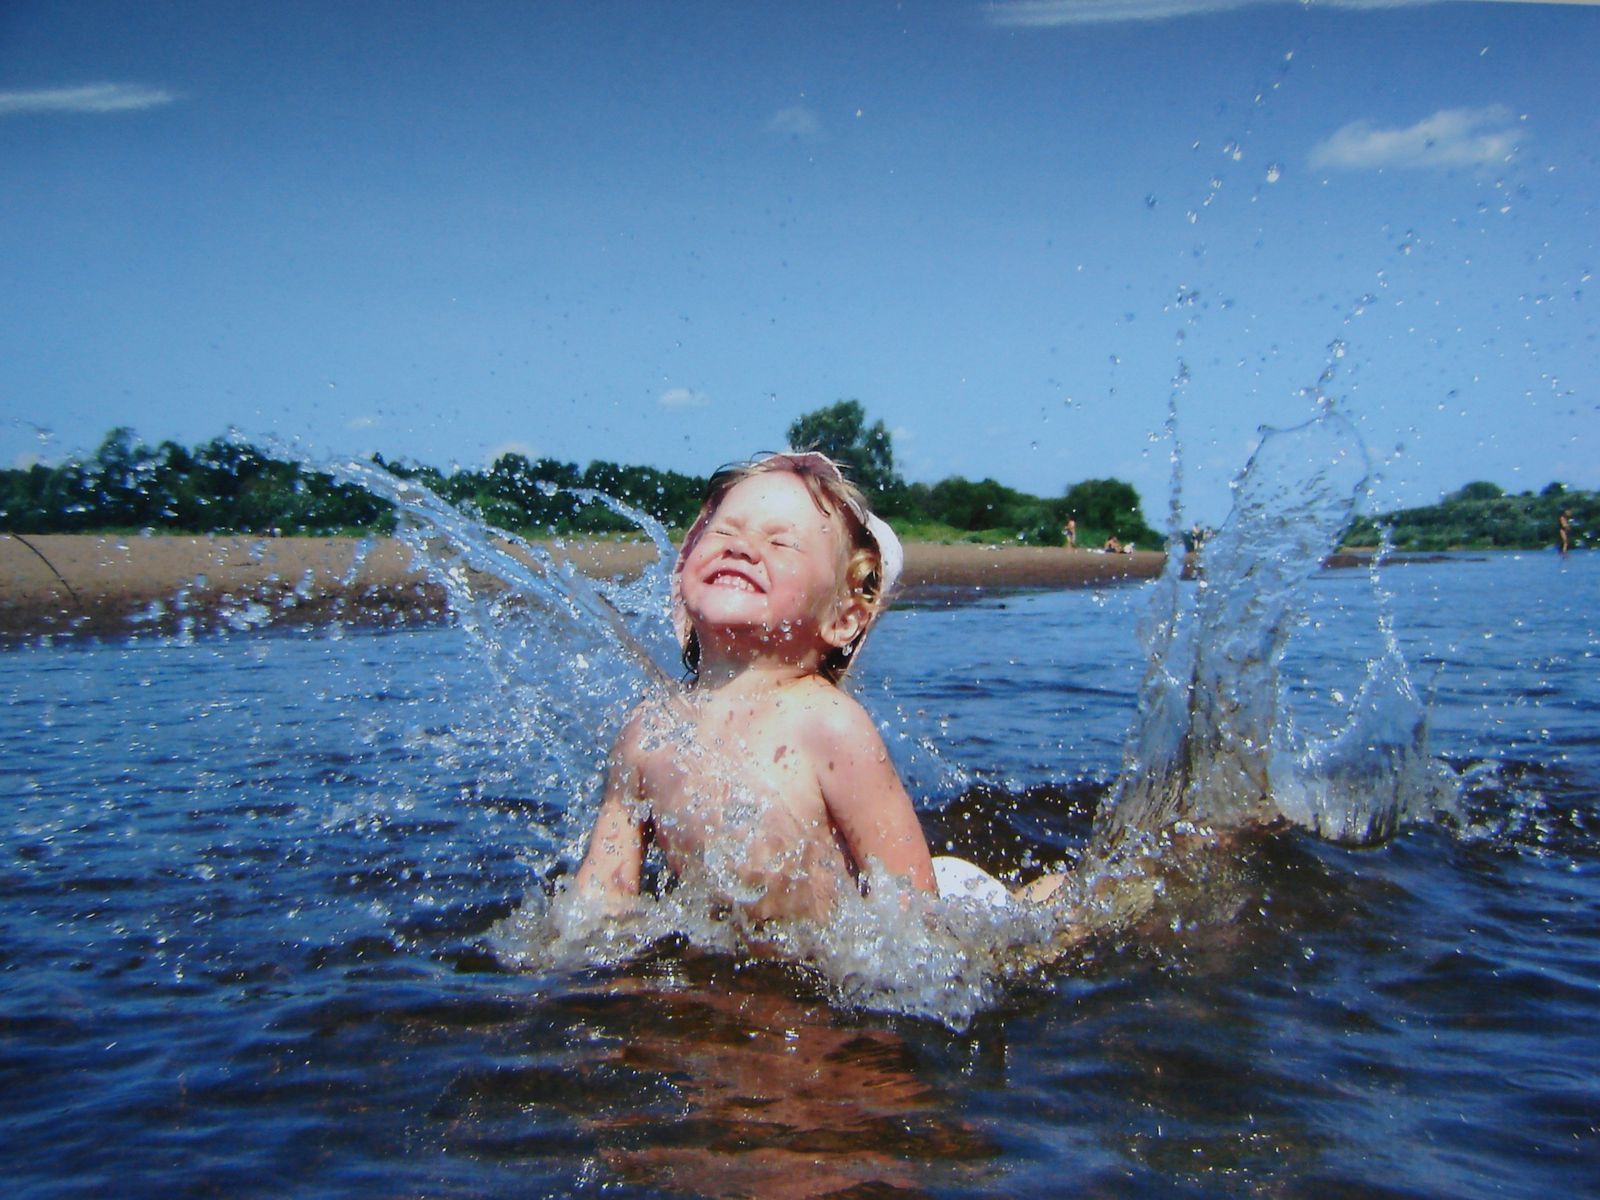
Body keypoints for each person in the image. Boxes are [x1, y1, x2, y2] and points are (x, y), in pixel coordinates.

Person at [574, 451, 1058, 930]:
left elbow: (914, 909)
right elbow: (604, 893)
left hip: (868, 932)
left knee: (1031, 933)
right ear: (682, 573)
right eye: (723, 531)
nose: (740, 548)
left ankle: (1046, 904)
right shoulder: (648, 730)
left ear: (844, 615)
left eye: (781, 543)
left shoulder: (829, 726)